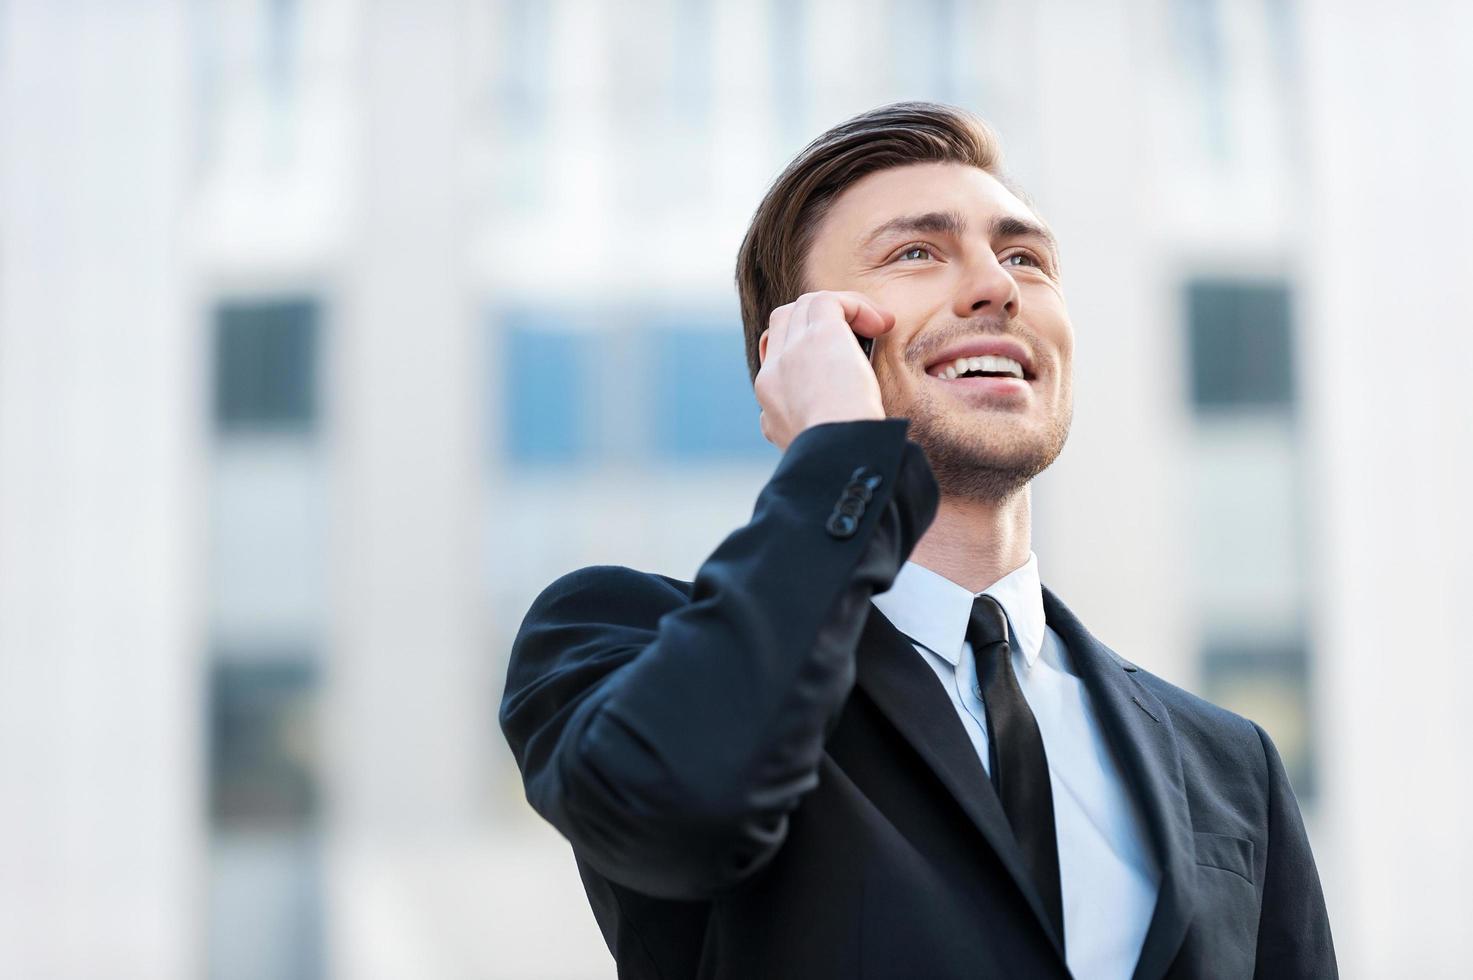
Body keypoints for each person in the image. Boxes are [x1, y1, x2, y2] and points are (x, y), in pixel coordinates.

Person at [499, 102, 1336, 979]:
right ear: (795, 348)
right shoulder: (622, 640)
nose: (996, 286)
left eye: (1023, 258)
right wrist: (834, 458)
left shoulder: (1227, 761)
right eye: (915, 253)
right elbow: (675, 811)